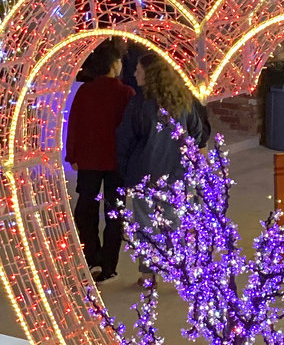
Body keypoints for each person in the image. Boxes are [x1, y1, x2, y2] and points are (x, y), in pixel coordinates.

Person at [115, 51, 210, 235]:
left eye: (138, 70)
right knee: (177, 231)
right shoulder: (184, 101)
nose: (134, 74)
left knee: (148, 234)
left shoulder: (139, 104)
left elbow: (125, 142)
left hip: (145, 178)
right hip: (179, 178)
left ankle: (151, 265)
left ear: (150, 75)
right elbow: (198, 135)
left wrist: (125, 175)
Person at [65, 41, 133, 285]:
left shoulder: (85, 91)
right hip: (117, 162)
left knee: (86, 209)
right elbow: (131, 131)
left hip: (90, 160)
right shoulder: (126, 93)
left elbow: (75, 124)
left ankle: (91, 256)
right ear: (114, 64)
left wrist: (72, 155)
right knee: (114, 213)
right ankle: (108, 264)